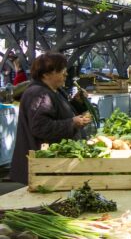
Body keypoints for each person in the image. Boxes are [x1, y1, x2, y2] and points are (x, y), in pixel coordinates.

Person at [10, 52, 91, 184]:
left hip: (50, 166)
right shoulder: (39, 94)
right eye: (61, 70)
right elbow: (41, 128)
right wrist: (72, 123)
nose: (66, 73)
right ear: (46, 74)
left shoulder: (53, 90)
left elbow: (59, 113)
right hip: (43, 167)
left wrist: (78, 103)